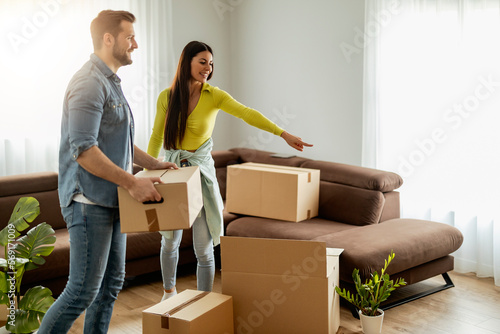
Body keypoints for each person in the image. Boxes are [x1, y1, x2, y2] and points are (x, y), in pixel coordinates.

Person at [38, 10, 177, 334]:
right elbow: (85, 150)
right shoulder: (88, 83)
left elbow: (118, 138)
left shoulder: (110, 83)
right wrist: (133, 183)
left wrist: (153, 164)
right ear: (108, 38)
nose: (136, 44)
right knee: (82, 291)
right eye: (130, 37)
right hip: (89, 202)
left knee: (111, 284)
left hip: (112, 199)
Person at [147, 40, 313, 301]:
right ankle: (168, 292)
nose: (208, 68)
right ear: (187, 62)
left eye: (211, 63)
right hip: (174, 172)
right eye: (202, 62)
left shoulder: (214, 96)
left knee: (203, 248)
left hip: (200, 175)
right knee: (169, 241)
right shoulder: (166, 97)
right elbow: (157, 137)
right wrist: (150, 172)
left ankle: (203, 302)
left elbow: (247, 113)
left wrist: (282, 133)